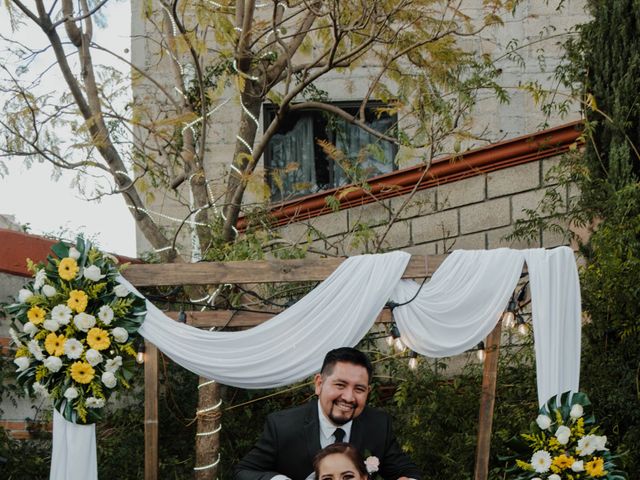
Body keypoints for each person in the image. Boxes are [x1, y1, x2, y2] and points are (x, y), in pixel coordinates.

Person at [234, 347, 422, 480]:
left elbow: (407, 471)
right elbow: (243, 472)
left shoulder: (378, 424)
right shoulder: (282, 426)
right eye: (340, 385)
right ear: (319, 384)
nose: (348, 397)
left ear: (368, 392)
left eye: (359, 389)